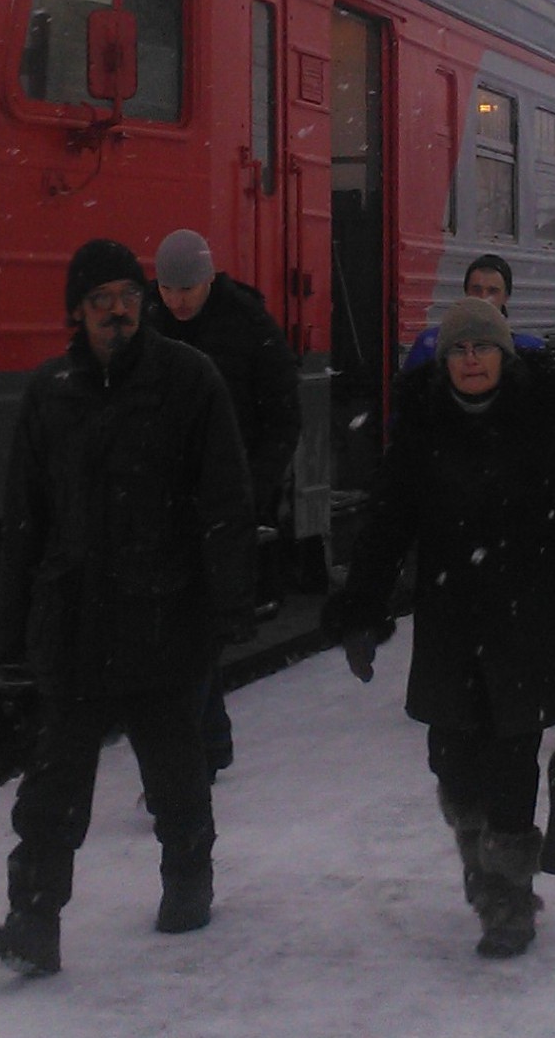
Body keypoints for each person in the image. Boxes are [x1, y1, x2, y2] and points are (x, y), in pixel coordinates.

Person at [0, 239, 255, 977]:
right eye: (102, 299)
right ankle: (33, 919)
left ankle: (189, 880)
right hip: (73, 622)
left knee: (175, 774)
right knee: (52, 790)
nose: (119, 311)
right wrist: (9, 628)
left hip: (164, 617)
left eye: (129, 296)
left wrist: (230, 602)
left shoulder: (189, 380)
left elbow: (224, 499)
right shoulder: (51, 391)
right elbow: (25, 516)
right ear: (78, 310)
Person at [323, 296, 555, 960]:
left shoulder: (544, 421)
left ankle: (507, 897)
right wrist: (361, 607)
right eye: (458, 349)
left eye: (482, 347)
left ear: (503, 354)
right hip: (452, 624)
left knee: (513, 760)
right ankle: (482, 862)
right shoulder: (423, 427)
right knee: (453, 763)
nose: (471, 359)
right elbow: (387, 521)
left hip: (527, 623)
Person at [148, 227, 302, 777]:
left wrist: (252, 490)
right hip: (164, 501)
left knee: (193, 625)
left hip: (224, 501)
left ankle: (196, 753)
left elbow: (284, 414)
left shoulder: (249, 325)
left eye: (186, 288)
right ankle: (208, 742)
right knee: (187, 627)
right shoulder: (148, 324)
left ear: (209, 279)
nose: (177, 300)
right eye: (167, 289)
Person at [403, 254, 544, 370]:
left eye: (492, 291)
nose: (483, 298)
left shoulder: (528, 351)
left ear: (506, 297)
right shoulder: (431, 345)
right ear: (466, 292)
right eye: (476, 290)